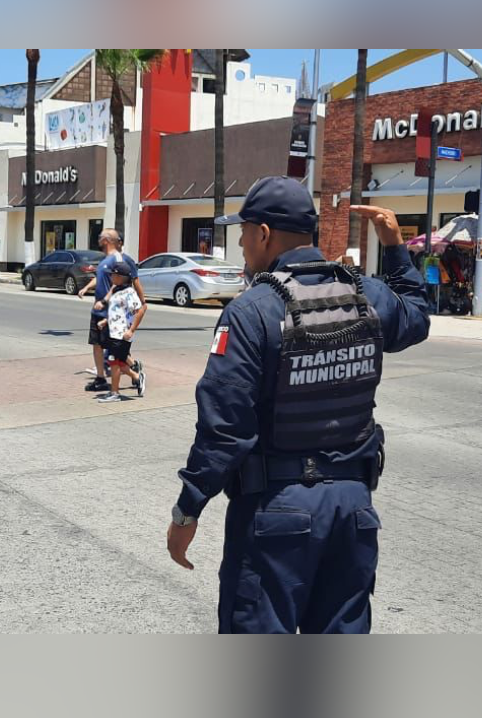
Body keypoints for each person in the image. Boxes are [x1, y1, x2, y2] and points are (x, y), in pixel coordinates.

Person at [164, 177, 431, 634]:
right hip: (353, 511)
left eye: (245, 232)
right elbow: (416, 317)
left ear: (264, 233)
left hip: (277, 512)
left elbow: (225, 428)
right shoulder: (363, 294)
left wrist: (188, 510)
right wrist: (395, 249)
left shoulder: (253, 310)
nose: (243, 244)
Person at [76, 229, 144, 393]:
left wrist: (142, 301)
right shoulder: (105, 260)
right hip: (98, 311)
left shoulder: (122, 260)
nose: (98, 240)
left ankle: (133, 371)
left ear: (107, 240)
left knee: (112, 350)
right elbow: (99, 278)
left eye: (100, 238)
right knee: (97, 344)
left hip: (111, 312)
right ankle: (101, 378)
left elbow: (131, 281)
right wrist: (85, 288)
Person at [95, 260, 147, 404]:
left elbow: (141, 310)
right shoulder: (117, 290)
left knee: (114, 362)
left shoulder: (129, 293)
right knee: (119, 362)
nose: (111, 277)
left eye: (112, 275)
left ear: (121, 276)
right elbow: (118, 312)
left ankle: (114, 393)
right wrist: (105, 321)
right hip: (114, 332)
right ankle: (137, 377)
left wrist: (131, 330)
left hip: (122, 334)